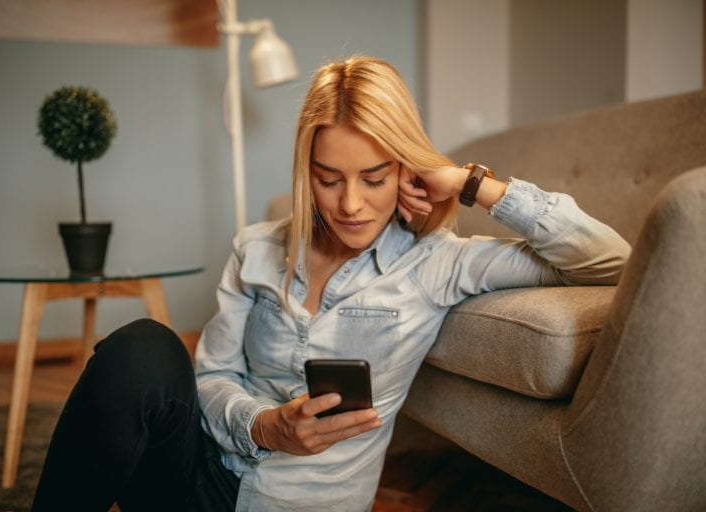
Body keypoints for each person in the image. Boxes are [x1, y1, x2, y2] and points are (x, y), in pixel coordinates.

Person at [32, 56, 630, 511]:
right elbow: (212, 377)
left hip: (298, 504)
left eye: (374, 178)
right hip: (200, 480)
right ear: (305, 173)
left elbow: (609, 260)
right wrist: (265, 425)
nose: (350, 205)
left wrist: (474, 186)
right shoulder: (257, 248)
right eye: (328, 178)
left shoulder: (435, 263)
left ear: (405, 168)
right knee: (139, 346)